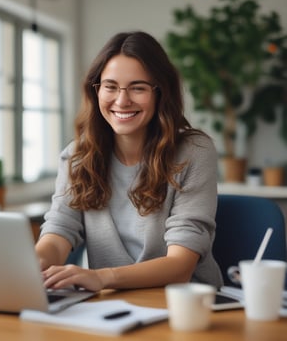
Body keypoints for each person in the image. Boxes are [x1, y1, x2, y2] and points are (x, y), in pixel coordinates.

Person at [35, 31, 223, 292]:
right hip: (113, 306)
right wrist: (34, 263)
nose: (122, 101)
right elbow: (59, 231)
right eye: (110, 86)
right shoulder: (78, 156)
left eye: (138, 88)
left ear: (160, 93)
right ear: (96, 90)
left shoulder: (194, 152)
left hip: (187, 306)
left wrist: (102, 277)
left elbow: (180, 266)